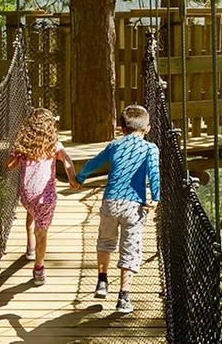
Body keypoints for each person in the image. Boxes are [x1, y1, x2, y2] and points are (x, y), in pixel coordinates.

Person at [73, 104, 160, 314]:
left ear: (122, 129)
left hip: (110, 201)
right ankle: (124, 298)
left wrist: (80, 178)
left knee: (105, 241)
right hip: (133, 205)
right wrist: (155, 198)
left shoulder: (115, 145)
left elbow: (94, 163)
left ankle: (102, 282)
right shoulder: (150, 148)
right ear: (147, 129)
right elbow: (154, 173)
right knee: (130, 248)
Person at [7, 108, 79, 285]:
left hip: (26, 195)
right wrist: (72, 179)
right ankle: (39, 268)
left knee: (32, 212)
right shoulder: (54, 145)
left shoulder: (22, 146)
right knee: (42, 231)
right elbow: (66, 160)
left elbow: (9, 166)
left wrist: (14, 153)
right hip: (45, 197)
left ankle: (30, 246)